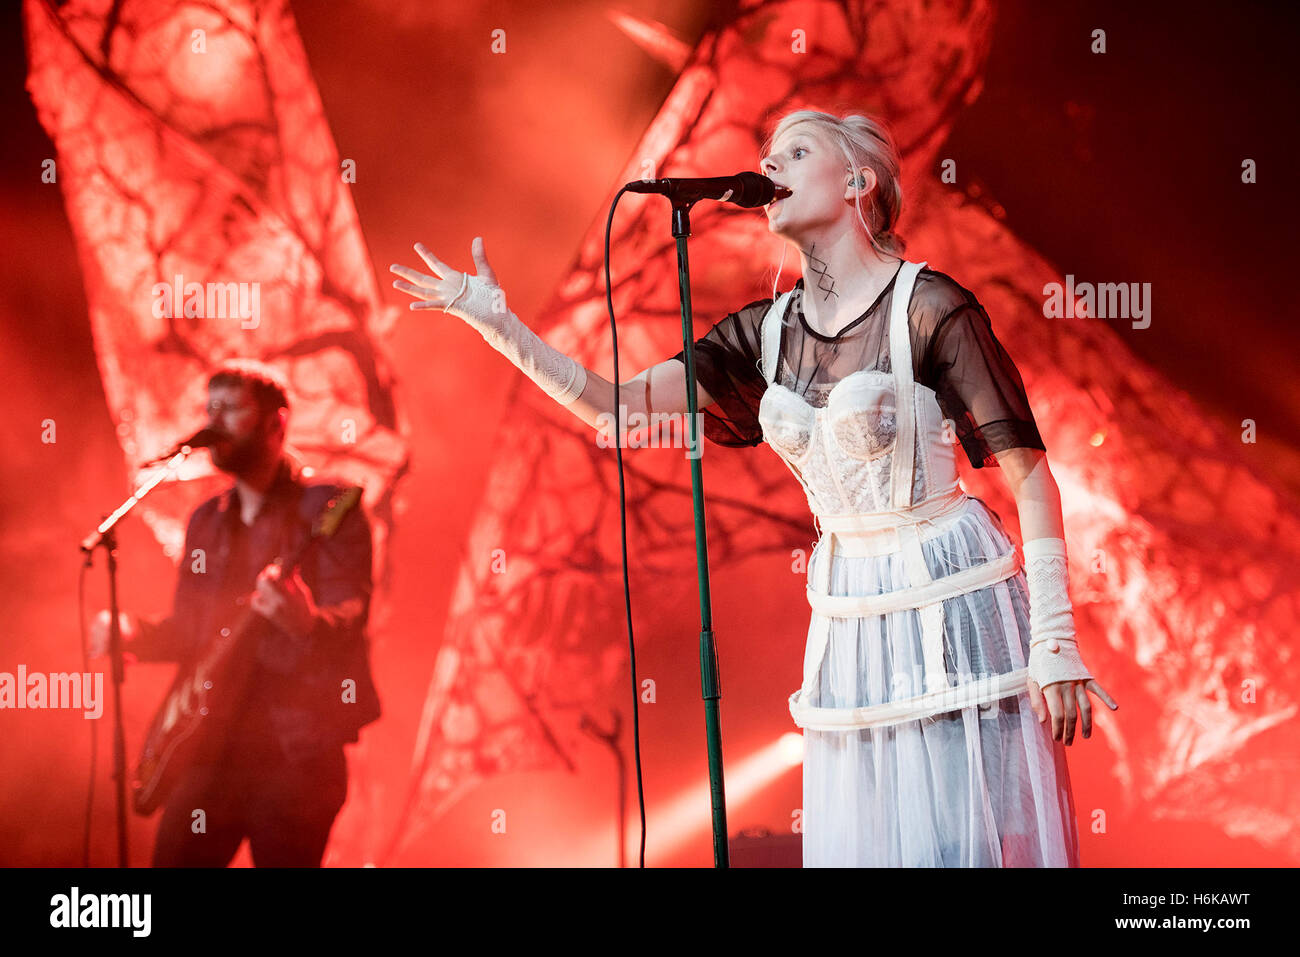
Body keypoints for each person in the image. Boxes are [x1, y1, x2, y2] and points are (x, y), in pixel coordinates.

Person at [389, 108, 1118, 867]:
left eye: (795, 154)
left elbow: (1029, 472)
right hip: (848, 608)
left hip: (949, 588)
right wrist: (500, 326)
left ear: (857, 181)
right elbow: (617, 407)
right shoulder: (763, 332)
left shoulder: (930, 306)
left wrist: (1055, 639)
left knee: (954, 842)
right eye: (766, 156)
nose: (770, 169)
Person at [90, 359, 381, 866]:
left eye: (231, 410)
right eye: (210, 408)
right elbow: (191, 632)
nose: (214, 422)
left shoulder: (329, 507)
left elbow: (352, 612)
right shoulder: (207, 521)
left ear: (276, 424)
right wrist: (134, 633)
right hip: (210, 749)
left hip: (296, 756)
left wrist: (307, 624)